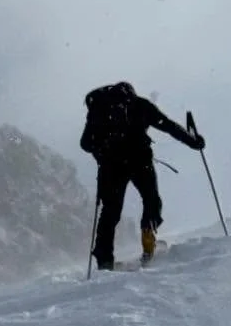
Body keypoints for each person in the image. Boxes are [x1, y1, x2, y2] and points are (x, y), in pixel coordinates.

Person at [80, 81, 205, 269]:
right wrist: (194, 142)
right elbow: (168, 126)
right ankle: (148, 237)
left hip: (111, 166)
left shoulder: (100, 110)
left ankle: (105, 260)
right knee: (151, 199)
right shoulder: (141, 105)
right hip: (140, 161)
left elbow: (85, 143)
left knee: (110, 212)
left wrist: (102, 152)